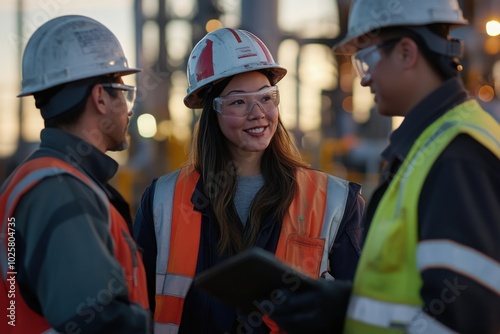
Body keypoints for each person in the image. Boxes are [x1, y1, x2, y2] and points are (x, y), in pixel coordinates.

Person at [265, 0, 500, 333]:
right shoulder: (433, 145)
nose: (364, 80)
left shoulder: (456, 156)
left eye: (366, 60)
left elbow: (461, 319)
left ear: (406, 52)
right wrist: (346, 303)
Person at [133, 27, 365, 333]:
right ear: (211, 111)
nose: (258, 113)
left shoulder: (335, 201)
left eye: (266, 97)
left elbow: (360, 312)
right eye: (239, 102)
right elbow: (137, 306)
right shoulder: (162, 199)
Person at [0, 15, 150, 333]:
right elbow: (99, 322)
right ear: (99, 98)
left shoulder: (37, 178)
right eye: (123, 93)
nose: (129, 107)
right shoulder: (61, 191)